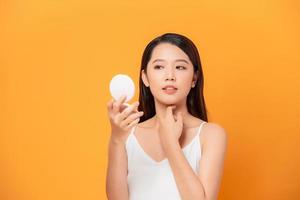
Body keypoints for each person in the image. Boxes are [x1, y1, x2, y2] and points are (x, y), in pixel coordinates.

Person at [106, 33, 228, 200]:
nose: (170, 76)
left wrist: (170, 143)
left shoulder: (211, 135)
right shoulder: (127, 135)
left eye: (180, 67)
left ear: (194, 78)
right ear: (145, 78)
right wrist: (116, 140)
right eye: (159, 67)